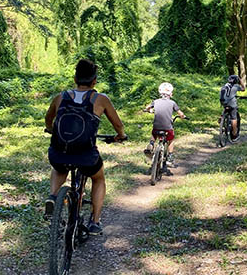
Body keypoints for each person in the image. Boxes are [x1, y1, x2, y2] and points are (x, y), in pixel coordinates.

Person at [44, 59, 127, 236]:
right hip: (86, 155)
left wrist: (51, 130)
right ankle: (95, 222)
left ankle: (52, 196)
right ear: (94, 81)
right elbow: (118, 125)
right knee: (98, 178)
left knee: (59, 167)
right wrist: (120, 136)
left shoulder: (61, 97)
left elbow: (48, 119)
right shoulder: (101, 99)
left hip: (59, 152)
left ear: (75, 78)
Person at [143, 82, 186, 168]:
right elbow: (180, 113)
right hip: (167, 127)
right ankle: (170, 156)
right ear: (171, 94)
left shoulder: (155, 101)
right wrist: (183, 116)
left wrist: (148, 110)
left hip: (156, 126)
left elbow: (147, 108)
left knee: (154, 133)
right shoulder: (173, 103)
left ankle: (151, 144)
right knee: (171, 139)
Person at [221, 74, 244, 140]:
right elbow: (243, 89)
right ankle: (234, 135)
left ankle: (222, 117)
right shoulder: (236, 86)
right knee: (234, 118)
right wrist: (241, 81)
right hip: (232, 103)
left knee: (226, 107)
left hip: (223, 102)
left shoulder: (224, 86)